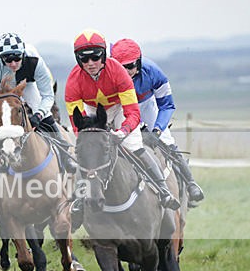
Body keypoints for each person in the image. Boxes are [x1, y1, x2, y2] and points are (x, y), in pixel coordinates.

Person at [65, 29, 180, 211]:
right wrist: (88, 138)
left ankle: (163, 189)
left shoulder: (118, 72)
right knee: (87, 150)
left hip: (119, 108)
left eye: (95, 57)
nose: (90, 63)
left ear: (103, 55)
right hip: (92, 111)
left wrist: (123, 132)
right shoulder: (73, 81)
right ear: (78, 59)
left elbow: (133, 112)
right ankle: (80, 198)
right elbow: (75, 121)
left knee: (134, 146)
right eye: (84, 59)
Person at [110, 38, 204, 203]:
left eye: (130, 66)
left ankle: (190, 183)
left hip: (145, 106)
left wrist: (157, 131)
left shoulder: (154, 72)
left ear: (139, 62)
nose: (126, 72)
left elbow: (167, 105)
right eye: (121, 67)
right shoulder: (108, 73)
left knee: (166, 141)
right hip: (120, 107)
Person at [0, 33, 75, 188]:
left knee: (46, 116)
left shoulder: (34, 60)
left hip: (28, 83)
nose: (12, 63)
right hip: (0, 92)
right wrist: (0, 121)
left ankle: (65, 154)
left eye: (17, 58)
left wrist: (39, 114)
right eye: (8, 60)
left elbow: (47, 95)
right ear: (1, 58)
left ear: (23, 54)